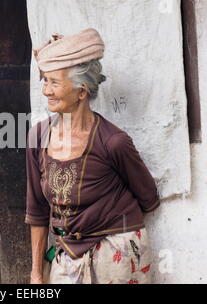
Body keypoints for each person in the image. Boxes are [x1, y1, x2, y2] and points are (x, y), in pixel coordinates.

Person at [25, 28, 160, 284]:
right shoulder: (37, 138)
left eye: (54, 82)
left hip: (116, 254)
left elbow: (148, 198)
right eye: (44, 81)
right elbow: (37, 210)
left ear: (81, 92)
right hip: (66, 254)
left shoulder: (113, 142)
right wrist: (36, 273)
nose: (46, 91)